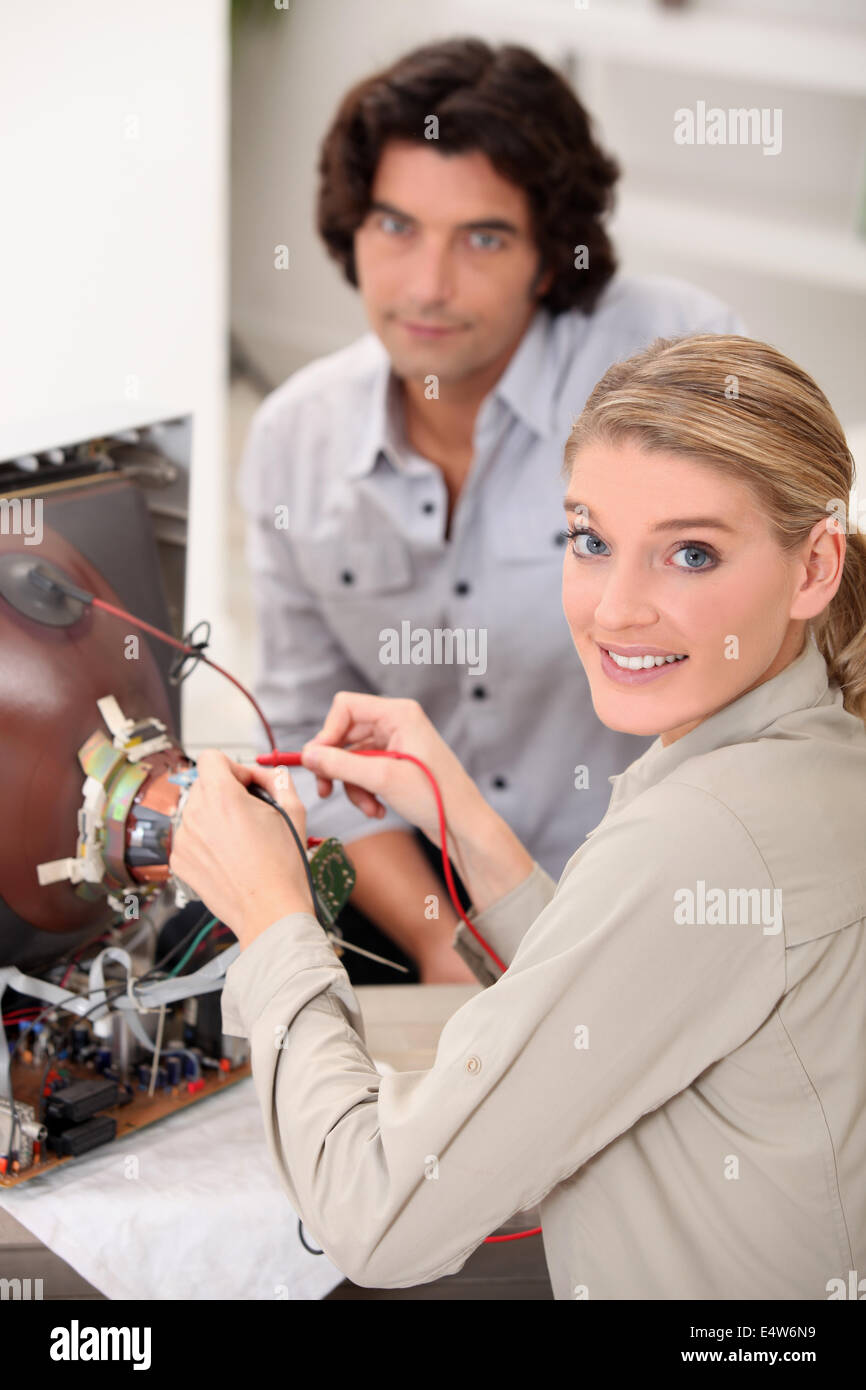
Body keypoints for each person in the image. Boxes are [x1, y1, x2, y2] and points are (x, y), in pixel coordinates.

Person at [173, 334, 866, 1299]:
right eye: (590, 540)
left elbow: (378, 1219)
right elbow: (634, 995)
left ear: (814, 567)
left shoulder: (702, 834)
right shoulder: (814, 765)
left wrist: (273, 918)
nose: (616, 610)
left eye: (692, 553)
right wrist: (464, 818)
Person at [237, 37, 746, 983]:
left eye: (482, 238)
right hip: (436, 902)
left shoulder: (683, 367)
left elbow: (761, 691)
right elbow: (309, 739)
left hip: (658, 890)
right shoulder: (293, 441)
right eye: (395, 226)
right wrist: (445, 945)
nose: (427, 285)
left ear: (550, 257)